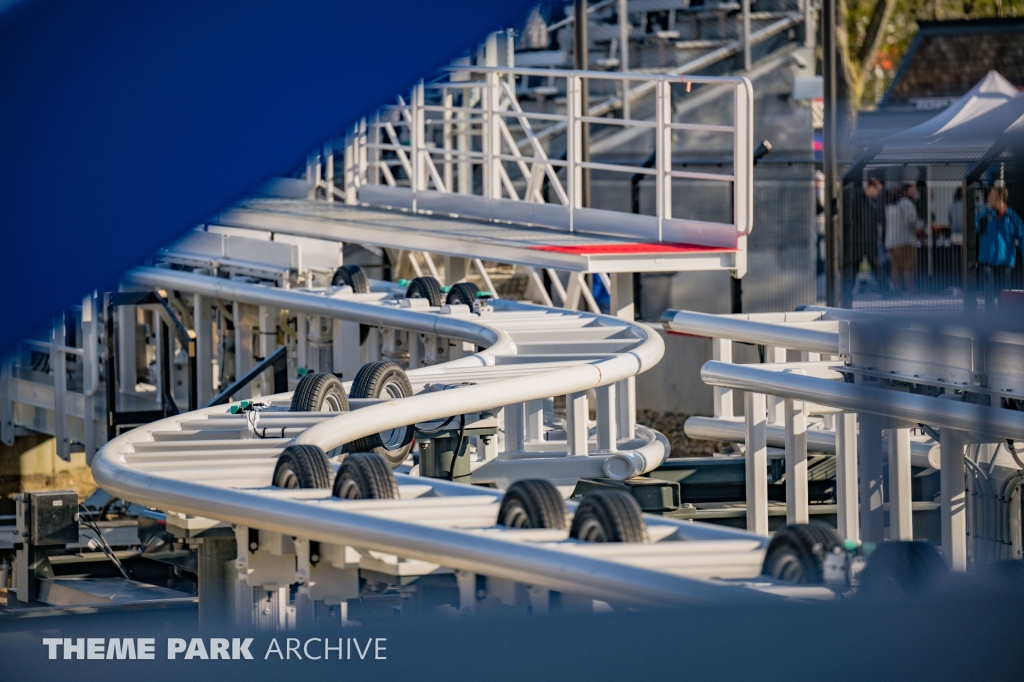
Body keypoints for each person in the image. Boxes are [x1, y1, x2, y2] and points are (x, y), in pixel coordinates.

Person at [976, 185, 1023, 310]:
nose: (989, 198)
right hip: (987, 258)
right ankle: (991, 315)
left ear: (1000, 198)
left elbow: (1022, 236)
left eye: (992, 195)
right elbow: (973, 229)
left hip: (1005, 259)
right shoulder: (984, 214)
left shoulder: (1012, 217)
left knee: (1004, 291)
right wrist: (980, 222)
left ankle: (1004, 314)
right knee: (988, 291)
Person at [885, 184, 921, 295]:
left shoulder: (890, 205)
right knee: (909, 267)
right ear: (904, 192)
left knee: (895, 268)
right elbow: (911, 221)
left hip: (891, 242)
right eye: (912, 191)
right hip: (905, 241)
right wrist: (919, 225)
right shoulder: (907, 203)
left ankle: (896, 289)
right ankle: (910, 289)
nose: (914, 193)